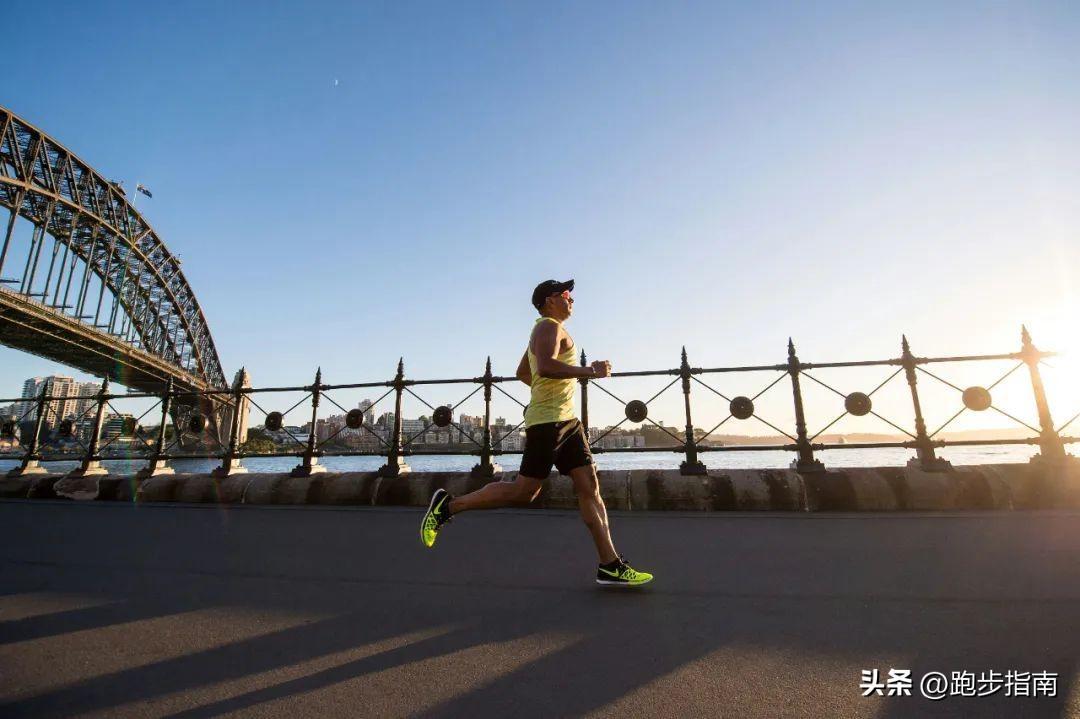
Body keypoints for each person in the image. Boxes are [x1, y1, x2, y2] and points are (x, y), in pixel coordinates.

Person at [420, 279, 653, 587]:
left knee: (590, 487)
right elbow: (543, 367)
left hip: (568, 422)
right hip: (548, 424)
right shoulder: (547, 327)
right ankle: (447, 506)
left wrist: (548, 393)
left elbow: (523, 372)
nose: (571, 299)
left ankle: (610, 565)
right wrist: (589, 371)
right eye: (565, 294)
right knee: (524, 491)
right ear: (549, 300)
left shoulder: (548, 329)